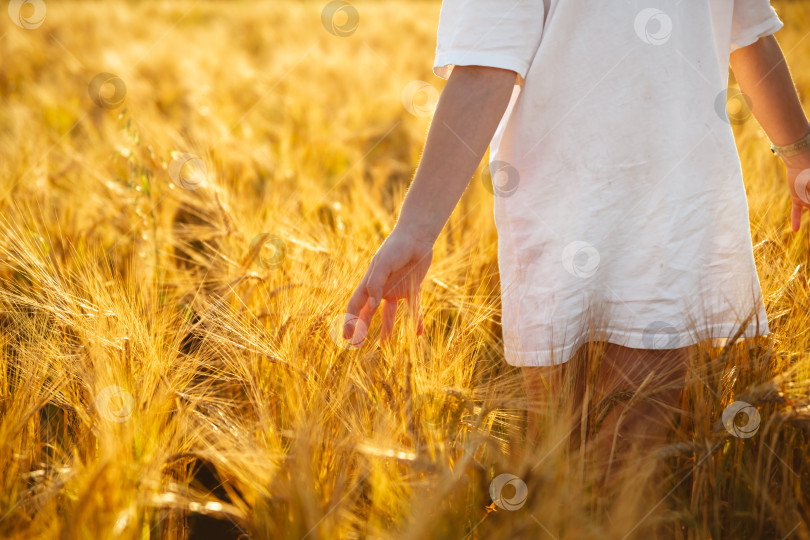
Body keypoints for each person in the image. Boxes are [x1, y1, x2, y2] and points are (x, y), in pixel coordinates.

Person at [341, 0, 810, 476]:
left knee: (606, 465)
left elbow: (748, 33)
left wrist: (799, 154)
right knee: (593, 459)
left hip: (651, 212)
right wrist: (417, 228)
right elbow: (751, 38)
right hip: (591, 213)